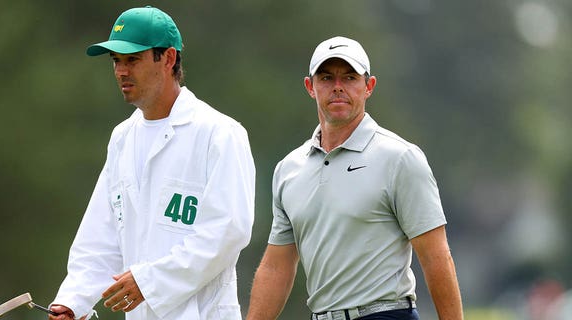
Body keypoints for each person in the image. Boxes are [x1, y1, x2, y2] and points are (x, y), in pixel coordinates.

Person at [47, 6, 255, 320]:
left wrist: (150, 282)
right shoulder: (122, 139)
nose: (121, 71)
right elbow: (100, 238)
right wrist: (73, 301)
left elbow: (229, 231)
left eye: (133, 59)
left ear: (168, 58)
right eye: (116, 61)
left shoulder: (220, 134)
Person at [246, 36, 463, 320]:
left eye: (349, 77)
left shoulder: (399, 157)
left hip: (385, 314)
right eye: (326, 77)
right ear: (310, 87)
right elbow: (277, 267)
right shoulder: (289, 169)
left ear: (368, 86)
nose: (338, 87)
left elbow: (436, 257)